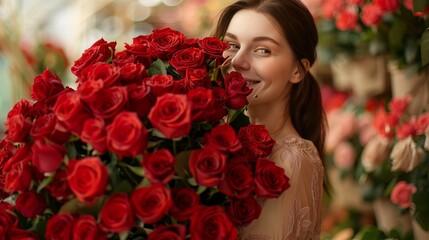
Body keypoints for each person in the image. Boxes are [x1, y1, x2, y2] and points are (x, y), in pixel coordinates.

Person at [213, 0, 328, 239]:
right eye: (233, 45)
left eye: (262, 50)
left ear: (298, 70)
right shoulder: (217, 138)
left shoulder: (292, 160)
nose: (237, 61)